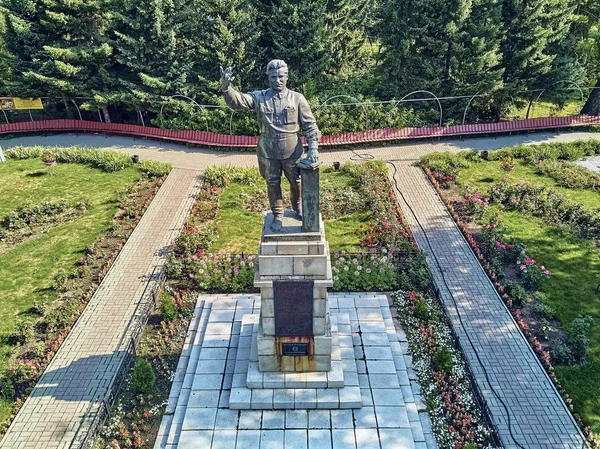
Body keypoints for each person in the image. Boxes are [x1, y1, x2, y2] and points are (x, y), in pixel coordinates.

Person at [220, 59, 321, 232]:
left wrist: (313, 148)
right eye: (273, 77)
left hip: (292, 150)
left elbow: (310, 125)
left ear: (287, 76)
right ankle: (278, 215)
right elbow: (239, 101)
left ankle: (298, 207)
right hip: (267, 150)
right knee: (272, 183)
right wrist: (226, 88)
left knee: (296, 181)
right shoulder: (260, 97)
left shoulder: (297, 98)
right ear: (268, 77)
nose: (277, 80)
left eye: (281, 76)